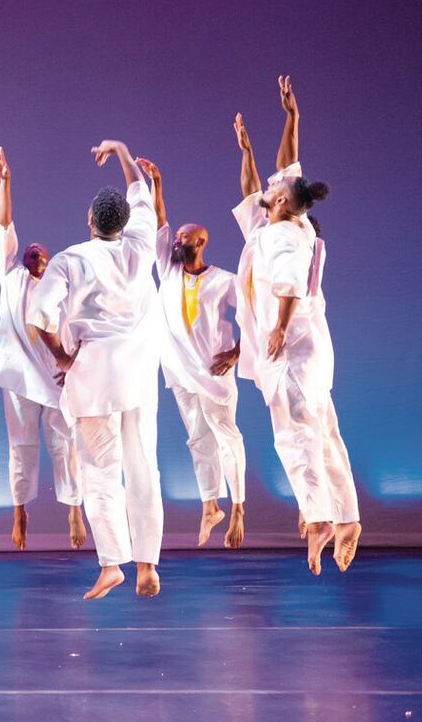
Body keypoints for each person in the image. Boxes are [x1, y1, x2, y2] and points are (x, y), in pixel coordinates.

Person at [230, 76, 361, 575]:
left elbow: (286, 286)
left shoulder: (282, 237)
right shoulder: (280, 222)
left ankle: (320, 517)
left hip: (293, 350)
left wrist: (279, 330)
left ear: (283, 203)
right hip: (309, 350)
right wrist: (291, 119)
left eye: (274, 189)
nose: (268, 186)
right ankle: (346, 516)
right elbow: (264, 180)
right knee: (324, 429)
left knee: (296, 435)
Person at [27, 140, 162, 600]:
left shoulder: (70, 259)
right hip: (138, 375)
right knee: (144, 467)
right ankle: (147, 563)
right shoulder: (142, 245)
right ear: (124, 224)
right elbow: (140, 190)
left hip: (94, 377)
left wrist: (61, 358)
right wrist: (123, 151)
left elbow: (37, 319)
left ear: (89, 222)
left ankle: (112, 563)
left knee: (102, 473)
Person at [135, 156, 246, 549]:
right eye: (177, 238)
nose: (177, 240)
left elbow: (255, 317)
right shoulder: (167, 270)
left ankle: (238, 510)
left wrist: (236, 352)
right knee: (198, 440)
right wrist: (158, 183)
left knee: (226, 437)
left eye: (185, 238)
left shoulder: (224, 281)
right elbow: (161, 223)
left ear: (201, 242)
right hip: (179, 374)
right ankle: (210, 505)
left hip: (213, 375)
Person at [0, 146, 87, 552]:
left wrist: (74, 361)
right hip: (18, 376)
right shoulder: (9, 277)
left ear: (49, 263)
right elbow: (4, 224)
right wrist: (5, 182)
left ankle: (74, 508)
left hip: (55, 374)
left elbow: (78, 325)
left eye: (39, 252)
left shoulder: (59, 287)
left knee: (65, 444)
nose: (33, 252)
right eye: (29, 250)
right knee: (21, 446)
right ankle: (19, 510)